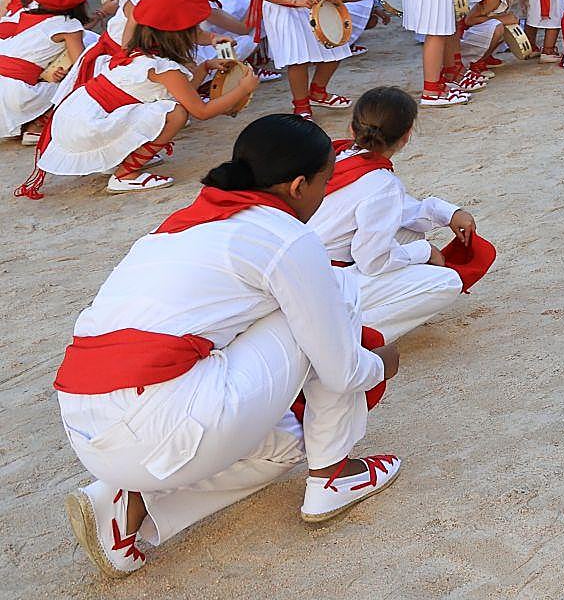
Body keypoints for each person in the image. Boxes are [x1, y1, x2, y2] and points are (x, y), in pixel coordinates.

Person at [53, 114, 401, 579]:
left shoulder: (180, 224)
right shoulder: (286, 237)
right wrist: (376, 365)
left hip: (87, 426)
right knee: (338, 294)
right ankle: (331, 476)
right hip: (159, 418)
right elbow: (338, 369)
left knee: (281, 448)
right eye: (325, 180)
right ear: (299, 185)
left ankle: (124, 502)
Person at [33, 0, 257, 196]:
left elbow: (184, 90)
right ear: (180, 36)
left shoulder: (141, 53)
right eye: (195, 29)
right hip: (88, 123)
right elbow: (201, 110)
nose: (200, 34)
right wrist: (242, 89)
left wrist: (205, 67)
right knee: (176, 114)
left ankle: (123, 158)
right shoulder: (165, 69)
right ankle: (125, 174)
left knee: (169, 108)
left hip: (81, 114)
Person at [308, 87, 492, 341]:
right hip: (320, 282)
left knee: (411, 233)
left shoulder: (337, 155)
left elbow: (396, 209)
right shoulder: (382, 183)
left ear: (352, 129)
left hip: (304, 267)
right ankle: (346, 335)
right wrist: (425, 253)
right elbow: (371, 262)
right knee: (446, 283)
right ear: (406, 137)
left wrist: (449, 213)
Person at [0, 0, 94, 143]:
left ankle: (27, 121)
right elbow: (81, 64)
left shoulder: (26, 15)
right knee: (86, 77)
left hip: (3, 86)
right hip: (16, 94)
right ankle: (37, 126)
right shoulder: (69, 25)